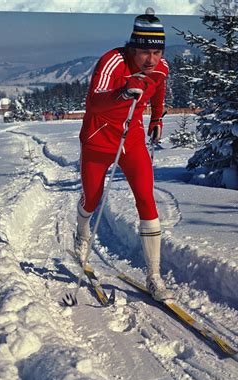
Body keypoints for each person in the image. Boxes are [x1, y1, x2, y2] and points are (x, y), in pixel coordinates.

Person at [74, 8, 172, 301]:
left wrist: (156, 119)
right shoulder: (112, 62)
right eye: (144, 52)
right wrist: (122, 93)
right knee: (92, 198)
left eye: (157, 52)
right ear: (132, 46)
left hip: (132, 142)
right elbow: (94, 103)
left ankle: (154, 276)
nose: (151, 59)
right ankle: (81, 234)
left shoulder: (160, 67)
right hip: (98, 142)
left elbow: (158, 88)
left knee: (146, 199)